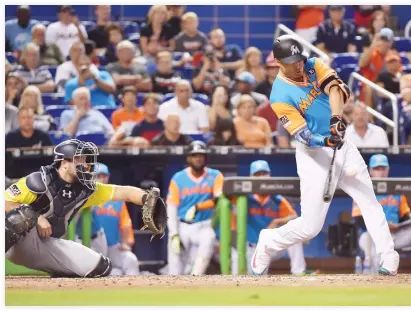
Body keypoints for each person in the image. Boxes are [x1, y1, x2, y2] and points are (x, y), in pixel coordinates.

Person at [251, 34, 399, 276]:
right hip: (313, 154)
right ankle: (269, 240)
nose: (298, 65)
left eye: (299, 59)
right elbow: (302, 135)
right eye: (292, 61)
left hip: (342, 144)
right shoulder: (279, 95)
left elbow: (335, 89)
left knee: (369, 201)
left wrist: (337, 120)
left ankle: (389, 256)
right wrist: (326, 139)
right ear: (279, 63)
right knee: (311, 226)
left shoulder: (312, 64)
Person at [5, 138, 163, 277]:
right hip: (19, 241)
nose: (86, 165)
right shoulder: (39, 181)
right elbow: (4, 202)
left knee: (100, 268)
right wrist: (37, 217)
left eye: (86, 160)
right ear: (65, 163)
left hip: (47, 244)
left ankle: (59, 282)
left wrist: (148, 199)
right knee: (20, 216)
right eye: (79, 160)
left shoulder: (86, 189)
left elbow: (125, 192)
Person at [231, 160, 312, 275]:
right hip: (250, 247)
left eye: (264, 174)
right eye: (257, 175)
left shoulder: (277, 199)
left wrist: (277, 221)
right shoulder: (243, 197)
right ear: (250, 177)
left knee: (294, 236)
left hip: (271, 246)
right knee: (250, 278)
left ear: (269, 176)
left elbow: (294, 216)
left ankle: (298, 271)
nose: (261, 178)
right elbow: (225, 197)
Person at [167, 141, 224, 275]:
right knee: (175, 267)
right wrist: (173, 233)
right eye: (194, 155)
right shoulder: (178, 178)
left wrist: (198, 207)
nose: (198, 158)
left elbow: (218, 200)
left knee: (208, 240)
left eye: (201, 155)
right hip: (182, 226)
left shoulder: (215, 175)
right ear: (188, 158)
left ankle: (195, 279)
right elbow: (171, 207)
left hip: (203, 224)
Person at [77, 163, 140, 276]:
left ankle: (135, 289)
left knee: (131, 260)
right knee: (105, 271)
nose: (101, 179)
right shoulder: (86, 194)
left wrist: (127, 243)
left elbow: (125, 224)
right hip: (90, 244)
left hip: (112, 246)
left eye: (104, 176)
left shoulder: (116, 199)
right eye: (98, 176)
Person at [352, 154, 411, 273]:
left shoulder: (397, 191)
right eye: (377, 169)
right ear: (370, 171)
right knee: (375, 244)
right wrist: (382, 227)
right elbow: (359, 221)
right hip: (370, 235)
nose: (381, 172)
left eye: (383, 169)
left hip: (396, 234)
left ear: (388, 169)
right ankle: (377, 279)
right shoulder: (362, 191)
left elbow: (405, 217)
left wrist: (397, 225)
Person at [359, 28, 394, 107]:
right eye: (381, 39)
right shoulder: (372, 54)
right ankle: (370, 118)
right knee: (369, 88)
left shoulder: (393, 56)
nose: (383, 43)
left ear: (391, 43)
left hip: (388, 87)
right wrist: (373, 45)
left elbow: (396, 75)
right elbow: (361, 64)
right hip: (371, 86)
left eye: (386, 40)